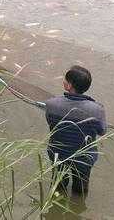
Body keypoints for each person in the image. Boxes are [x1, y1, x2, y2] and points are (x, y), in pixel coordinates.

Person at [45, 65, 106, 198]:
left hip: (58, 155)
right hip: (83, 157)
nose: (63, 81)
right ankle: (78, 207)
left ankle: (55, 207)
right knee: (81, 188)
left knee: (58, 184)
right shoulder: (97, 110)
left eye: (65, 79)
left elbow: (50, 123)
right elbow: (102, 131)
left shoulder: (51, 104)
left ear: (69, 85)